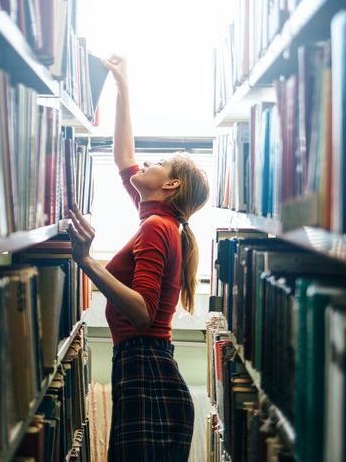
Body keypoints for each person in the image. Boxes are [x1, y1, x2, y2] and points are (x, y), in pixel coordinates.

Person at [67, 54, 210, 461]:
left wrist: (87, 262)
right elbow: (123, 156)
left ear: (170, 184)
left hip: (146, 370)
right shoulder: (158, 216)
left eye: (158, 163)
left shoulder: (156, 227)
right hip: (146, 369)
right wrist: (123, 86)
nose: (145, 163)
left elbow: (144, 313)